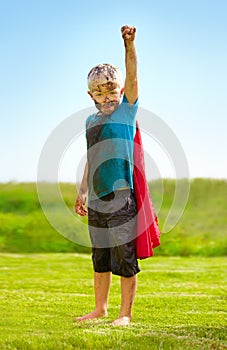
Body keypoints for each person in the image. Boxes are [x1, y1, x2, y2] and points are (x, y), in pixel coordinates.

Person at [75, 25, 139, 326]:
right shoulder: (90, 121)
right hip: (97, 199)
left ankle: (124, 314)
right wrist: (83, 190)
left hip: (122, 196)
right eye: (99, 91)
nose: (106, 95)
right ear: (91, 94)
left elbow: (133, 74)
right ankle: (100, 308)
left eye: (111, 88)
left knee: (124, 257)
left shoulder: (127, 112)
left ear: (121, 90)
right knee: (99, 256)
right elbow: (91, 156)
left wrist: (129, 45)